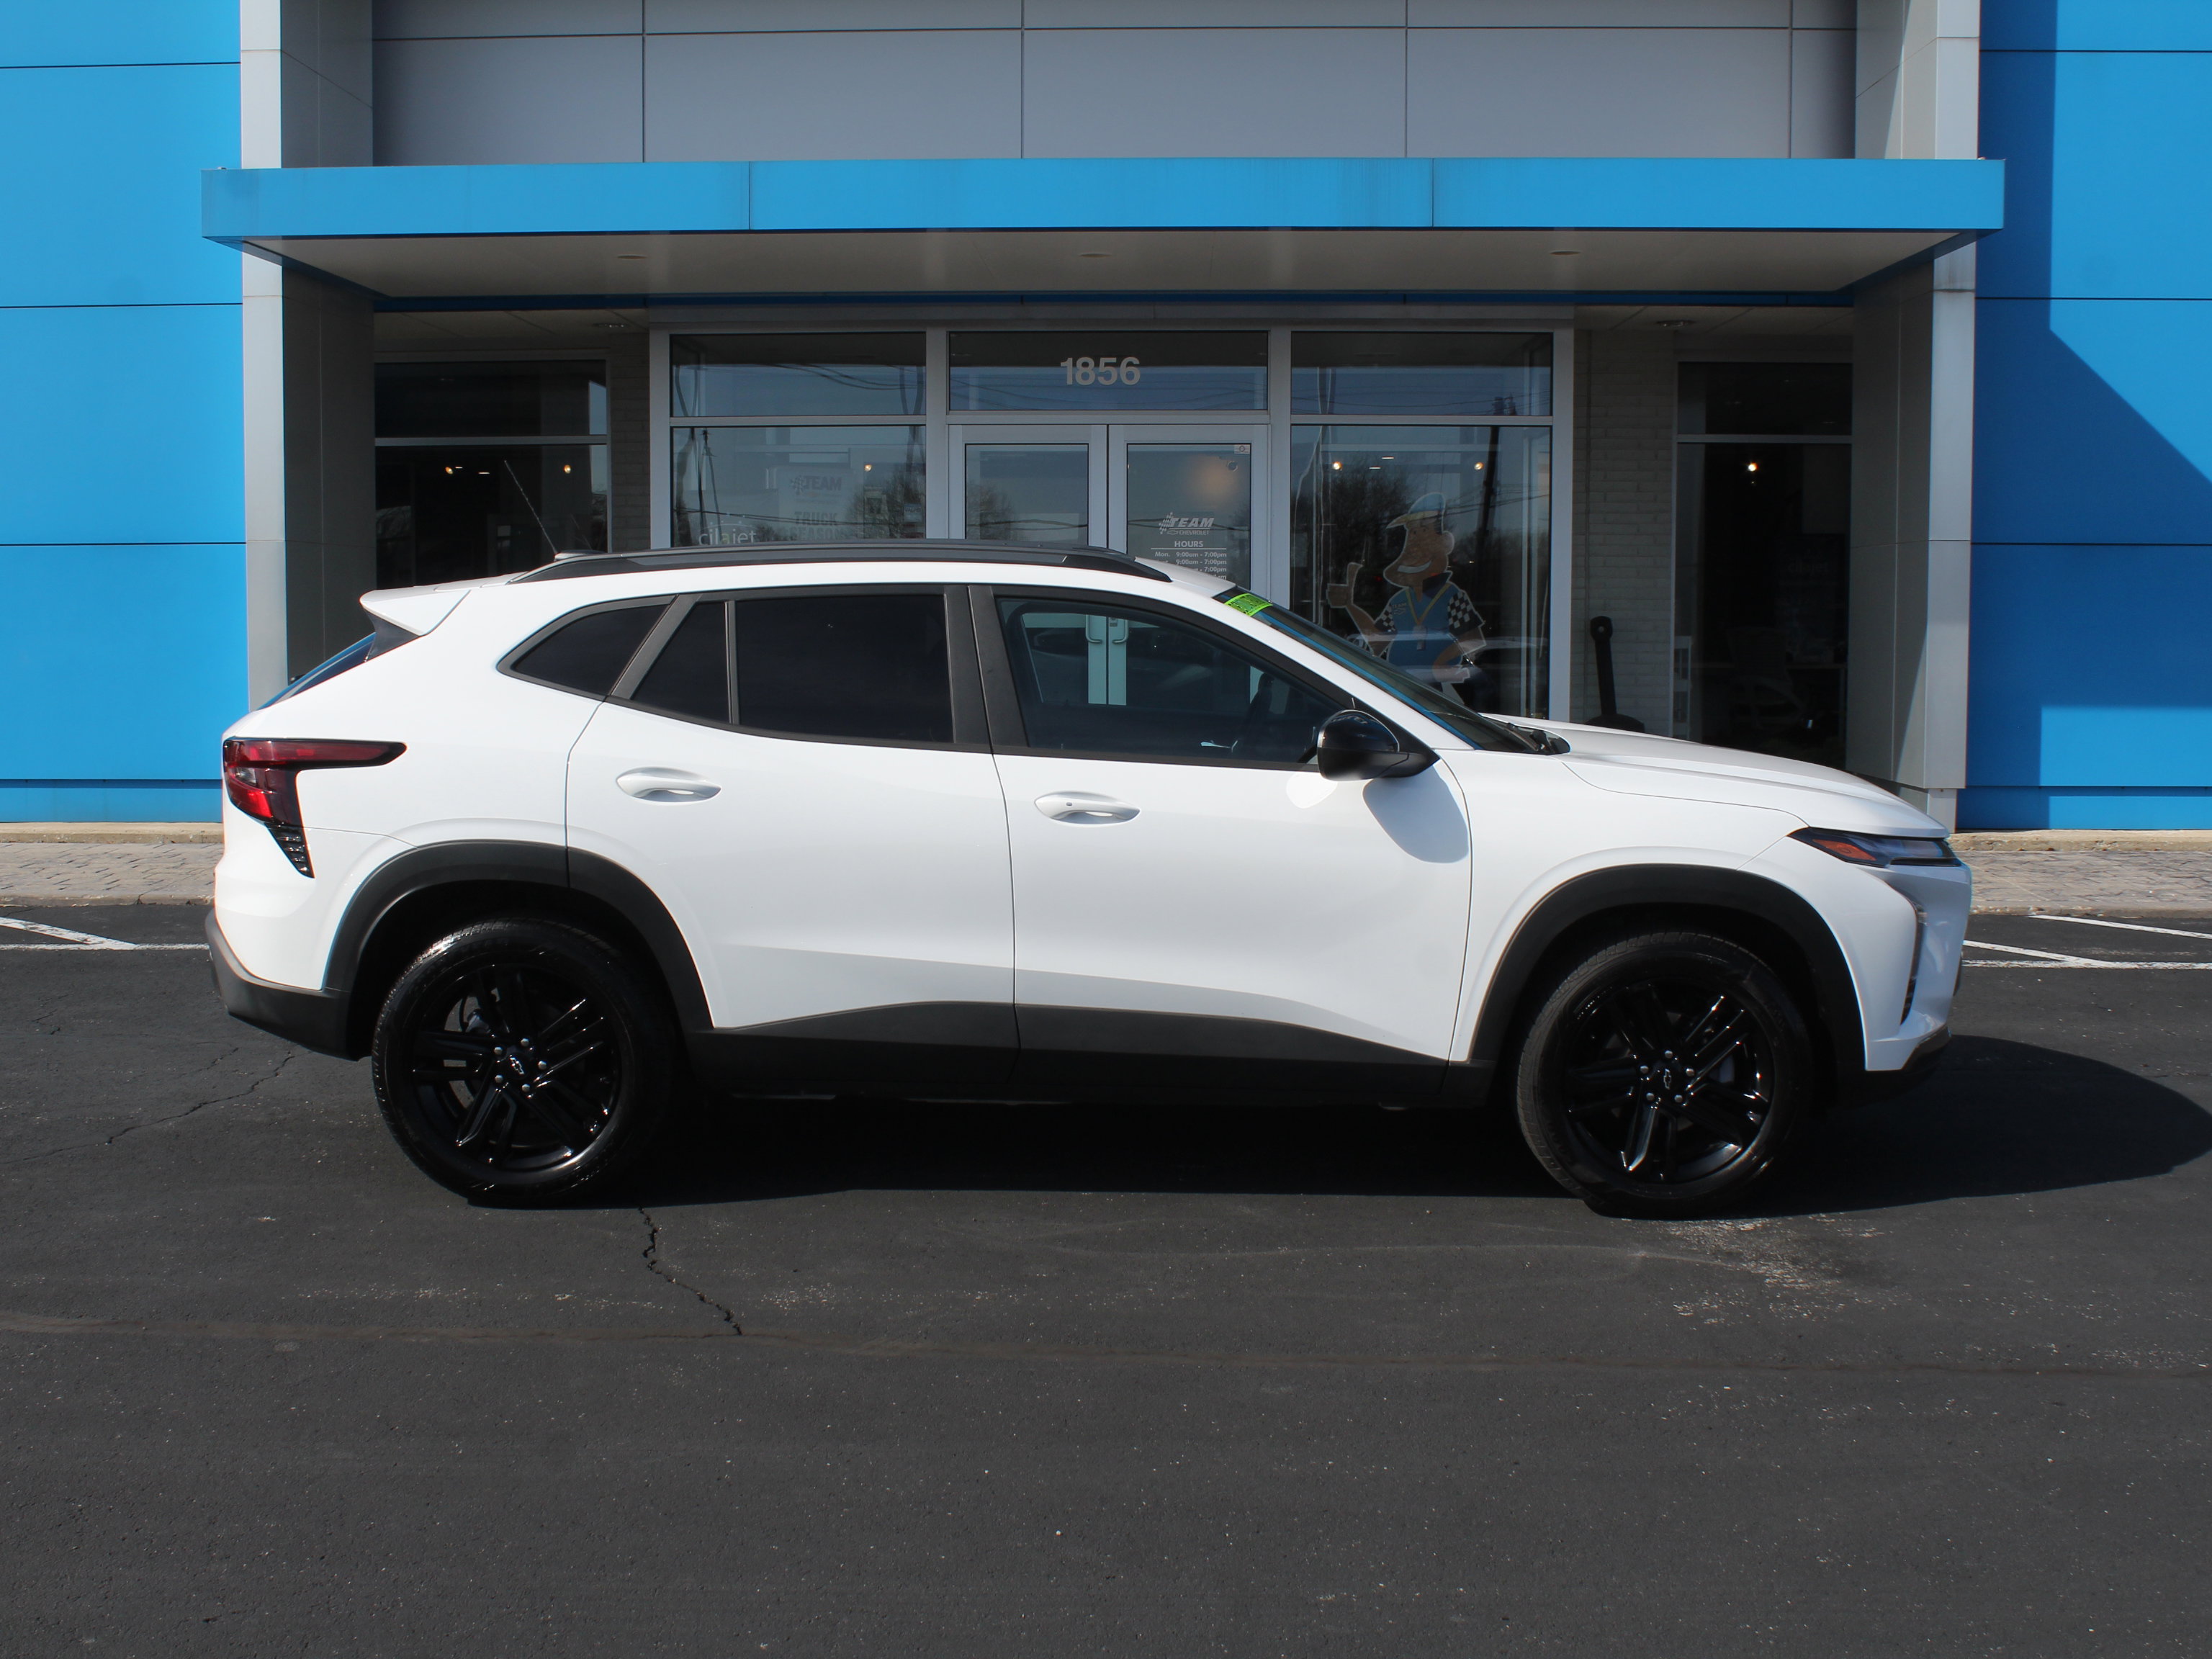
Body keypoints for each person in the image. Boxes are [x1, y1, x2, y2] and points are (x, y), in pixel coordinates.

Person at [1323, 493, 1490, 704]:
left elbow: (1472, 638)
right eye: (1411, 534)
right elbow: (1377, 641)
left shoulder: (1451, 596)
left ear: (1443, 541)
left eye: (1422, 531)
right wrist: (1350, 606)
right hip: (1399, 686)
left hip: (1436, 687)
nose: (1414, 544)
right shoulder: (1400, 600)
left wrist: (1439, 663)